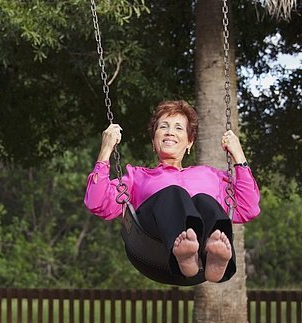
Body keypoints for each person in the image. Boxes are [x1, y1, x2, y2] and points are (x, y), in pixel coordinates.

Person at [84, 100, 260, 283]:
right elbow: (97, 203)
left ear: (189, 142)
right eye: (163, 127)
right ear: (154, 141)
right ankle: (184, 252)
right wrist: (105, 150)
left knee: (205, 201)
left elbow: (248, 207)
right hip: (153, 246)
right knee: (173, 193)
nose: (170, 132)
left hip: (199, 256)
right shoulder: (137, 176)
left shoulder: (210, 175)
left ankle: (212, 254)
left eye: (178, 128)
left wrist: (238, 155)